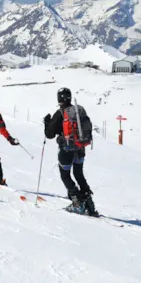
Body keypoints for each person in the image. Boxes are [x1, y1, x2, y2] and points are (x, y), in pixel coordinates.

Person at [44, 87, 98, 216]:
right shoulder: (77, 112)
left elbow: (49, 134)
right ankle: (89, 203)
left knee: (65, 175)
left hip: (66, 149)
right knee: (79, 174)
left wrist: (47, 123)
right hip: (80, 147)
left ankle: (77, 202)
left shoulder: (60, 113)